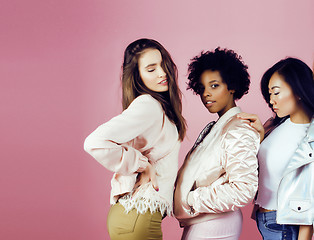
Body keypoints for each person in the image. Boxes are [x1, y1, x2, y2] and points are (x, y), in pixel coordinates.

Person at [84, 38, 186, 240]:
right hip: (139, 215)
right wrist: (142, 164)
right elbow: (93, 142)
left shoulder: (158, 107)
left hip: (135, 215)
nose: (162, 73)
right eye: (151, 69)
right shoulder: (148, 105)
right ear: (137, 76)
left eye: (163, 64)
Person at [174, 48, 259, 240]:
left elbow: (244, 188)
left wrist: (190, 199)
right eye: (202, 88)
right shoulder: (219, 127)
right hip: (203, 220)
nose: (206, 94)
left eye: (214, 86)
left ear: (232, 86)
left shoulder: (238, 128)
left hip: (216, 222)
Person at [238, 57, 314, 240]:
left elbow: (310, 199)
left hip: (285, 225)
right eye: (269, 94)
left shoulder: (309, 138)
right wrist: (261, 136)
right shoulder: (277, 124)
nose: (271, 100)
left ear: (298, 91)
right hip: (265, 219)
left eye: (276, 93)